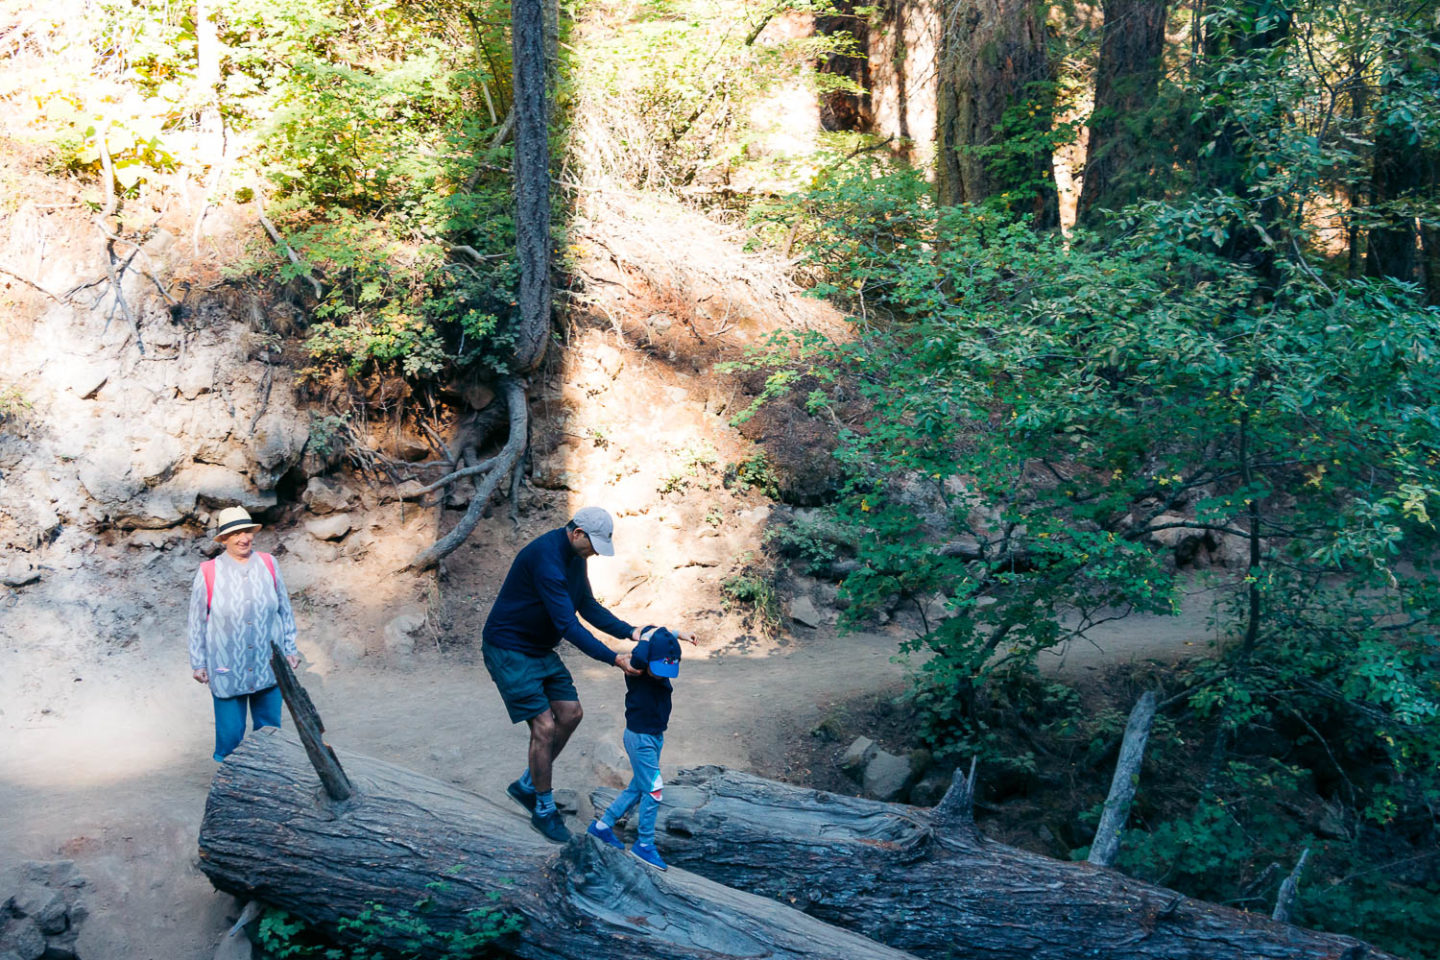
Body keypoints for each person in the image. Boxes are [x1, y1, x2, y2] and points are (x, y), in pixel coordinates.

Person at [483, 506, 678, 843]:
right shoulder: (546, 559)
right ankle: (543, 808)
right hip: (510, 649)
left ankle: (528, 786)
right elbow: (568, 625)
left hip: (539, 649)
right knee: (544, 726)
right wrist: (613, 658)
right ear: (576, 533)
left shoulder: (576, 557)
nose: (596, 554)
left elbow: (586, 604)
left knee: (571, 713)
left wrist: (629, 631)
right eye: (594, 546)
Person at [187, 506, 300, 762]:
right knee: (230, 735)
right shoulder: (209, 571)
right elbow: (197, 622)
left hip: (268, 662)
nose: (243, 538)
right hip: (226, 665)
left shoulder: (269, 564)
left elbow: (284, 608)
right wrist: (198, 662)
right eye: (235, 533)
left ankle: (269, 779)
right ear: (224, 539)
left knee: (270, 731)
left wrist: (290, 648)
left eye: (247, 531)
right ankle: (231, 787)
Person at [587, 626, 685, 870]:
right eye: (659, 668)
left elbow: (663, 638)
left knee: (638, 786)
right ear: (648, 658)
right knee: (654, 789)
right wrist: (648, 636)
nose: (663, 675)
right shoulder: (636, 668)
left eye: (668, 670)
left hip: (653, 737)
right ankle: (644, 844)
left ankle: (601, 827)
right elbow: (643, 648)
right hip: (640, 739)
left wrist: (678, 633)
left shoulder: (659, 667)